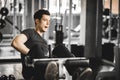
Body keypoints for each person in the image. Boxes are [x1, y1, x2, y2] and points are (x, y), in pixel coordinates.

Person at [11, 9, 92, 80]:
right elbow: (15, 43)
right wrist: (31, 55)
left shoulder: (44, 42)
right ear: (37, 21)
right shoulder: (30, 32)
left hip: (47, 68)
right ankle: (47, 72)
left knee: (60, 48)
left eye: (49, 21)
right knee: (37, 48)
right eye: (45, 20)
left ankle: (77, 72)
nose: (48, 23)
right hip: (32, 72)